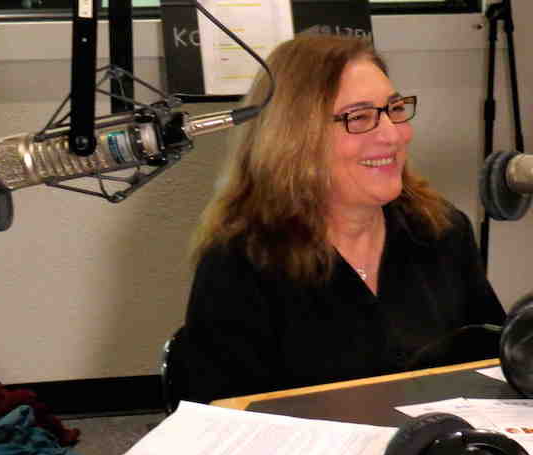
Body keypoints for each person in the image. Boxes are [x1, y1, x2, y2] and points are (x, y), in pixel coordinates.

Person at [177, 34, 505, 402]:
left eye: (395, 109)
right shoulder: (242, 261)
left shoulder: (440, 229)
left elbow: (497, 365)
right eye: (359, 117)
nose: (393, 135)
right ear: (295, 139)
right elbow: (221, 415)